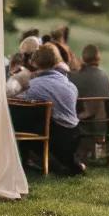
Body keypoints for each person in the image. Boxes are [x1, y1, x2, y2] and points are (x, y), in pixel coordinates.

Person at [24, 43, 85, 175]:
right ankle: (67, 164)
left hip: (54, 136)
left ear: (35, 62)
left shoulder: (33, 86)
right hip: (74, 135)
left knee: (23, 120)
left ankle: (25, 162)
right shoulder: (70, 85)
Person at [70, 44, 109, 158]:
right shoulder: (104, 76)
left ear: (83, 58)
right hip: (102, 126)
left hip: (81, 124)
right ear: (98, 58)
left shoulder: (74, 77)